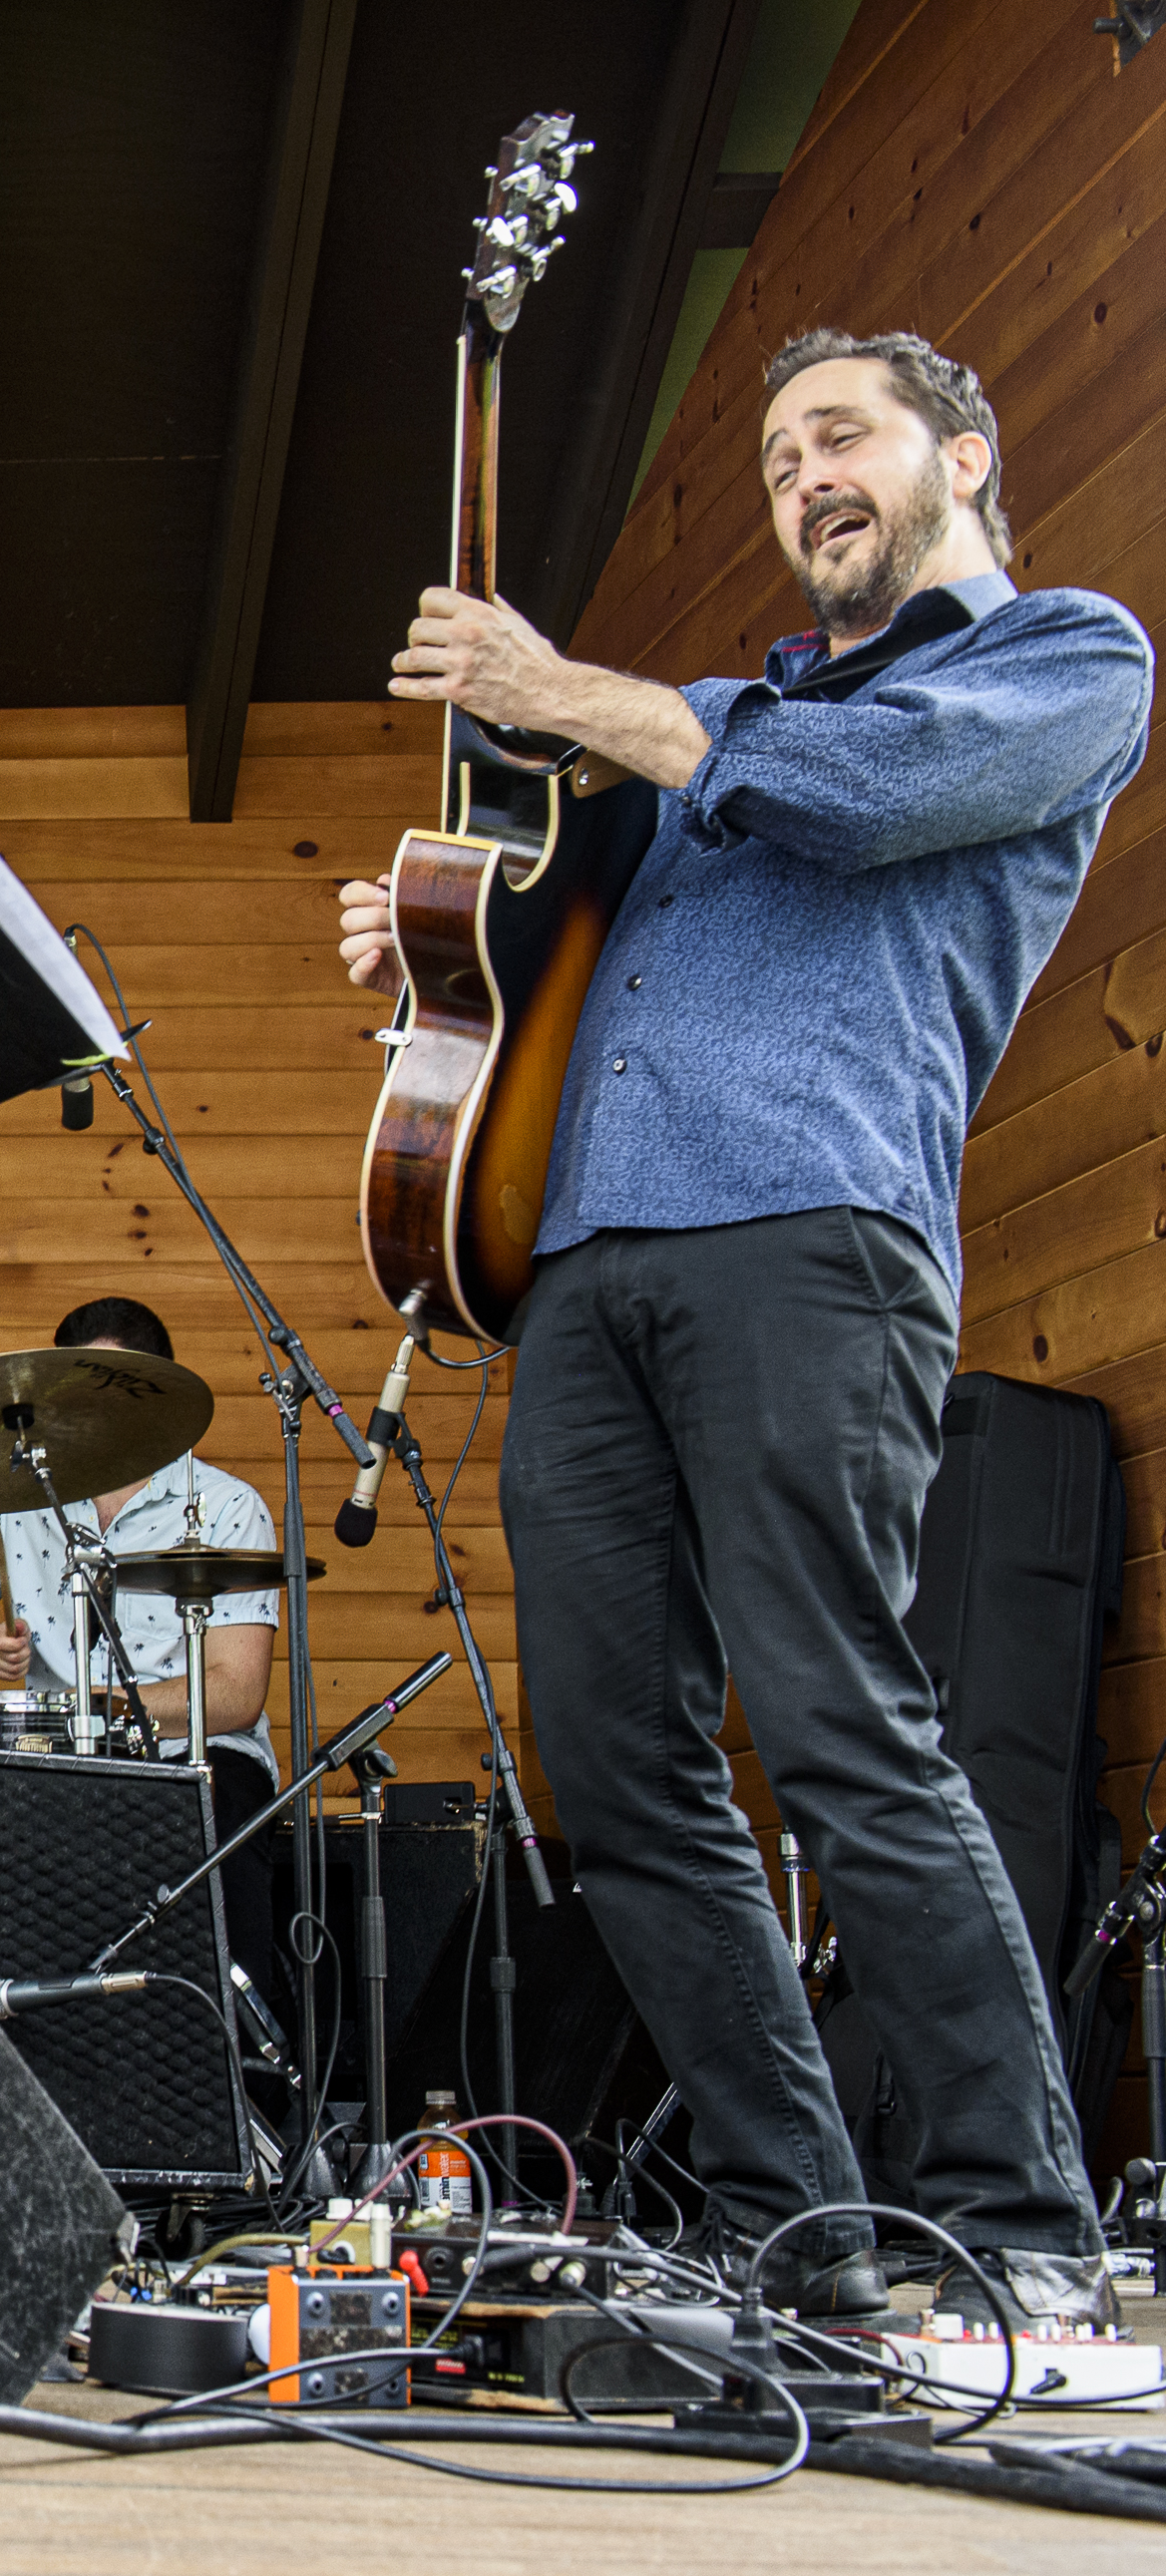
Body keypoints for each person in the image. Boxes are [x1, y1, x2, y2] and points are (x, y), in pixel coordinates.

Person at [339, 328, 1151, 2329]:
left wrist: (574, 696)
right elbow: (550, 919)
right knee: (614, 1773)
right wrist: (439, 921)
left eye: (841, 435)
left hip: (817, 1234)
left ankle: (1028, 2236)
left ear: (962, 450)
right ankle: (806, 2222)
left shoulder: (1060, 658)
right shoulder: (707, 718)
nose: (804, 477)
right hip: (583, 1277)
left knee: (843, 1727)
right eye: (781, 455)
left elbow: (869, 796)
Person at [0, 1296, 288, 2024]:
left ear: (159, 1392)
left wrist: (104, 1708)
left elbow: (237, 1692)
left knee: (221, 1819)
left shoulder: (226, 1505)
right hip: (55, 1762)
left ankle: (249, 2091)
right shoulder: (13, 1502)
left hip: (199, 1755)